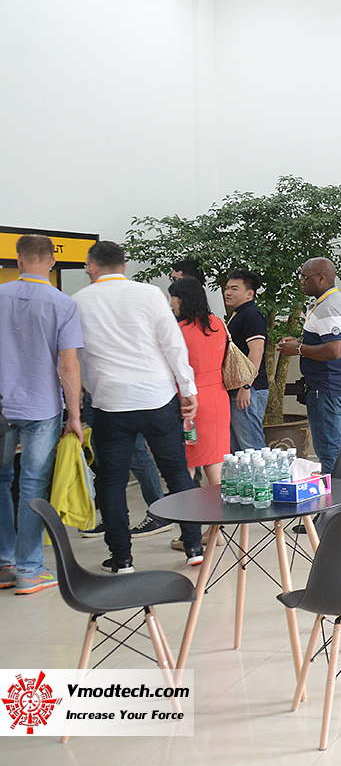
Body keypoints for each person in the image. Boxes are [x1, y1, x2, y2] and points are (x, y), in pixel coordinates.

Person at [74, 241, 203, 571]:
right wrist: (187, 389)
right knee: (176, 472)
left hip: (109, 403)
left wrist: (90, 392)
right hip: (157, 397)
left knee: (112, 482)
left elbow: (78, 358)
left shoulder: (78, 302)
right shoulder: (150, 294)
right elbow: (172, 344)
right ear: (124, 265)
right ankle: (193, 545)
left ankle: (122, 558)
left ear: (92, 266)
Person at [0, 235, 83, 595]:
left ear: (18, 259)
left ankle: (4, 564)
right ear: (52, 262)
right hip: (41, 407)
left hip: (2, 407)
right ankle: (30, 570)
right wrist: (75, 414)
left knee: (1, 481)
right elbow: (69, 364)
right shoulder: (63, 304)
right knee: (33, 484)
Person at [276, 257, 341, 474]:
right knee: (337, 450)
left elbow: (334, 350)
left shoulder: (330, 306)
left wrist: (298, 349)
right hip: (335, 386)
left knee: (329, 454)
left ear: (321, 278)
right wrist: (300, 343)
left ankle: (334, 495)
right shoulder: (329, 302)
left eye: (305, 277)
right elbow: (326, 342)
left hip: (327, 390)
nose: (301, 282)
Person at [169, 278, 231, 485]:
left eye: (173, 298)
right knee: (215, 463)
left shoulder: (179, 331)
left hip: (189, 400)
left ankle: (187, 506)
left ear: (183, 299)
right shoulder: (218, 324)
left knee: (187, 464)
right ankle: (218, 506)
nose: (171, 303)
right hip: (218, 399)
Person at [223, 269, 269, 452]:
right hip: (238, 389)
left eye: (234, 289)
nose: (228, 292)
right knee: (238, 450)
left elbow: (256, 350)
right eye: (227, 288)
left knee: (252, 448)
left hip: (250, 389)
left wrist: (246, 386)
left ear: (250, 294)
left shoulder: (251, 315)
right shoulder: (238, 314)